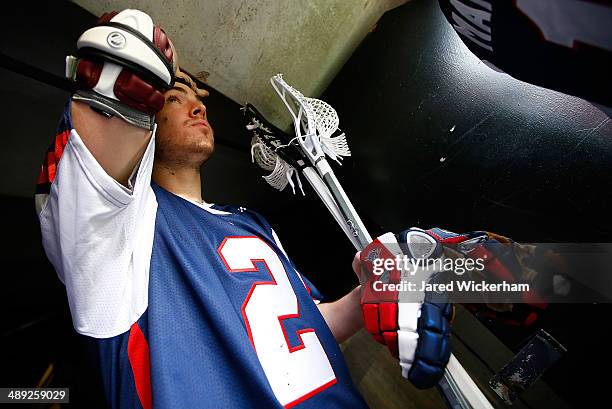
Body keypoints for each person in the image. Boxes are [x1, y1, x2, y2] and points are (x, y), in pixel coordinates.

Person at [34, 9, 453, 408]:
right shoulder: (115, 231)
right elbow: (122, 60)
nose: (200, 106)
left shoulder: (252, 223)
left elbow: (304, 329)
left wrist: (369, 295)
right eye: (176, 97)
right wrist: (137, 77)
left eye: (199, 98)